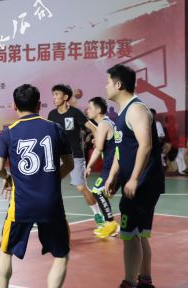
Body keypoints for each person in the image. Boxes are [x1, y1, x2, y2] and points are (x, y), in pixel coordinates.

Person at [0, 84, 73, 288]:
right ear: (39, 105)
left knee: (5, 252)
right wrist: (50, 179)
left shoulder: (8, 133)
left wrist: (9, 178)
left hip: (21, 205)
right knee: (61, 255)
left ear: (14, 106)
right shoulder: (55, 128)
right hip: (51, 204)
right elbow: (69, 164)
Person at [103, 64, 165, 288]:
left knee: (128, 234)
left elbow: (145, 146)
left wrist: (134, 178)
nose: (106, 86)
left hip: (143, 183)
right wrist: (113, 175)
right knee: (139, 233)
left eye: (108, 82)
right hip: (137, 182)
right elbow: (121, 150)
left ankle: (128, 282)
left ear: (118, 84)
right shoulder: (123, 112)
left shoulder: (136, 109)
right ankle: (145, 280)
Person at [47, 84, 102, 226]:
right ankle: (48, 215)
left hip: (75, 156)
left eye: (57, 94)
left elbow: (94, 128)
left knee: (81, 187)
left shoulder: (75, 113)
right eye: (53, 95)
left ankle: (98, 214)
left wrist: (98, 140)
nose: (54, 97)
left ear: (65, 97)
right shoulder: (52, 115)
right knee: (49, 185)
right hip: (57, 156)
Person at [84, 97, 119, 239]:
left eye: (90, 108)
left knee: (97, 191)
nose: (87, 110)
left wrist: (88, 166)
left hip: (111, 166)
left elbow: (98, 149)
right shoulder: (108, 123)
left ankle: (111, 224)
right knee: (102, 192)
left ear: (98, 110)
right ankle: (110, 224)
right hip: (112, 165)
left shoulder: (103, 124)